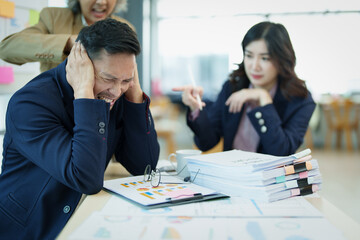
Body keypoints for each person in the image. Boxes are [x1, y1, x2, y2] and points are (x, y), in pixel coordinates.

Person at [0, 19, 159, 239]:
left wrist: (134, 92)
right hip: (30, 227)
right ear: (81, 64)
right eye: (108, 78)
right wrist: (83, 92)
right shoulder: (30, 104)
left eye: (125, 80)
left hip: (80, 218)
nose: (116, 91)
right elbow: (85, 179)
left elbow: (145, 165)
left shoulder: (115, 93)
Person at [173, 21, 315, 156]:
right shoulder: (233, 87)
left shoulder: (301, 100)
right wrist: (195, 108)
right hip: (233, 176)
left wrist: (263, 99)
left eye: (265, 58)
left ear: (282, 59)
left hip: (273, 179)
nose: (255, 66)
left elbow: (281, 151)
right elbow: (206, 143)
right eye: (249, 56)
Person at [0, 0, 132, 73]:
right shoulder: (54, 18)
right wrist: (68, 42)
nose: (101, 2)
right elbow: (7, 49)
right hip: (58, 109)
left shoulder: (126, 28)